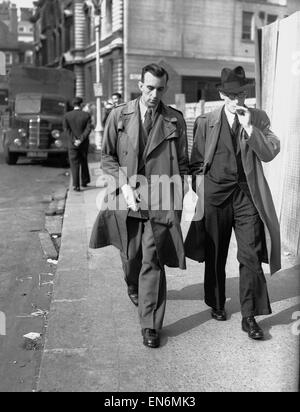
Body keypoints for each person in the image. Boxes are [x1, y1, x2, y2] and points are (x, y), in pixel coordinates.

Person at [89, 64, 189, 348]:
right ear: (139, 84)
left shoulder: (174, 120)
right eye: (149, 87)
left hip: (160, 201)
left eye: (160, 89)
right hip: (125, 200)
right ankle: (132, 284)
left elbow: (181, 164)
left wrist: (179, 200)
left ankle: (151, 325)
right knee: (130, 257)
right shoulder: (119, 115)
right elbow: (106, 157)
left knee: (152, 260)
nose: (154, 94)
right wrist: (122, 185)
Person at [185, 66, 281, 340]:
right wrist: (199, 191)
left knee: (250, 253)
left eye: (239, 94)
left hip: (246, 195)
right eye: (229, 94)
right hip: (215, 194)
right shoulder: (206, 121)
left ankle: (250, 315)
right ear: (221, 93)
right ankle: (216, 301)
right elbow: (195, 161)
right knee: (215, 252)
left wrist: (251, 127)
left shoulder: (258, 117)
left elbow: (271, 151)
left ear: (245, 93)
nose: (235, 100)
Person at [63, 96, 92, 191]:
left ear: (73, 105)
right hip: (83, 144)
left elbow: (66, 130)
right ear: (81, 104)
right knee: (83, 162)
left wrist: (74, 140)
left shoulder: (67, 116)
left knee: (74, 164)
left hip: (72, 144)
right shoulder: (86, 115)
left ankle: (76, 185)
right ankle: (84, 181)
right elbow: (88, 129)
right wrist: (81, 139)